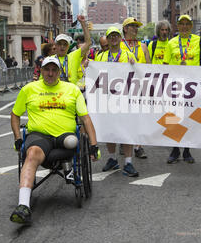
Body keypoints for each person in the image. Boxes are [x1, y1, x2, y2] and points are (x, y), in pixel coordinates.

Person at [10, 57, 99, 224]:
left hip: (65, 136)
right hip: (39, 136)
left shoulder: (72, 89)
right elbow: (15, 115)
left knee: (73, 141)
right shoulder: (29, 89)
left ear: (59, 72)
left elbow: (85, 119)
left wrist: (94, 145)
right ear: (41, 70)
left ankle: (66, 165)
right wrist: (17, 138)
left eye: (54, 70)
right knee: (31, 155)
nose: (50, 73)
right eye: (47, 70)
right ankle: (23, 206)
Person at [163, 14, 201, 164]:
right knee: (173, 118)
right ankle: (175, 149)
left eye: (187, 24)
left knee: (189, 118)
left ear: (191, 26)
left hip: (192, 87)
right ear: (177, 26)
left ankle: (187, 150)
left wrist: (200, 73)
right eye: (181, 24)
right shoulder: (171, 42)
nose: (184, 26)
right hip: (175, 86)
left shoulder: (200, 41)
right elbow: (165, 65)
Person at [95, 26, 139, 177]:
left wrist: (134, 64)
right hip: (107, 100)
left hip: (125, 98)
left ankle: (128, 162)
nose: (113, 38)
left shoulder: (128, 54)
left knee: (127, 131)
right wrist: (88, 66)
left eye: (116, 35)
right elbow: (95, 74)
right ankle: (112, 158)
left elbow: (137, 73)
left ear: (120, 38)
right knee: (109, 130)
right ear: (107, 40)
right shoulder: (101, 56)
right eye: (110, 36)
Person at [121, 17, 151, 159]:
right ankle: (125, 141)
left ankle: (139, 146)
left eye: (136, 26)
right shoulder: (119, 46)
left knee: (140, 117)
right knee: (125, 117)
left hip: (140, 87)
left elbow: (150, 67)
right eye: (132, 26)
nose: (135, 29)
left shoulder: (143, 47)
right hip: (123, 88)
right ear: (125, 29)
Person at [44, 15, 91, 85]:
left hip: (70, 94)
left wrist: (83, 23)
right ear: (55, 46)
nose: (62, 47)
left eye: (65, 44)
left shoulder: (74, 56)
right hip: (55, 93)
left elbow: (88, 43)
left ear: (68, 46)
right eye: (59, 44)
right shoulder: (49, 60)